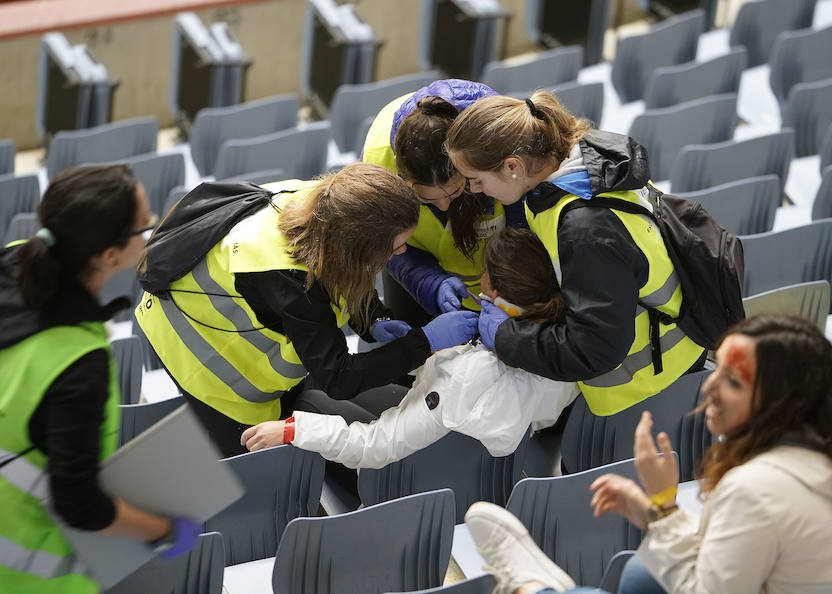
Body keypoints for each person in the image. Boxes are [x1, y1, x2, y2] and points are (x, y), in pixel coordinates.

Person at [462, 314, 832, 594]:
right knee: (638, 576)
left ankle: (532, 589)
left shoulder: (756, 488)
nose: (709, 385)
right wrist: (656, 512)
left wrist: (663, 503)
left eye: (732, 381)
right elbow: (739, 561)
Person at [135, 163, 478, 458]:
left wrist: (374, 319)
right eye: (394, 245)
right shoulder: (291, 280)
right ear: (357, 247)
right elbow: (338, 378)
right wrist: (424, 341)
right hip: (194, 348)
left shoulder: (333, 203)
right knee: (255, 466)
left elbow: (342, 278)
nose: (402, 252)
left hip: (247, 301)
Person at [0, 165, 201, 594]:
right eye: (143, 227)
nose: (148, 236)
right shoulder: (77, 364)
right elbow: (78, 505)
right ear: (110, 255)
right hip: (24, 570)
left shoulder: (13, 257)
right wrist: (162, 527)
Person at [445, 92, 707, 417]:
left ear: (513, 167)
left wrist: (504, 336)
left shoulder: (586, 228)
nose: (474, 190)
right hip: (667, 359)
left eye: (475, 180)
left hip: (651, 388)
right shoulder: (582, 165)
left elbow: (594, 350)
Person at [239, 228, 578, 465]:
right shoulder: (567, 346)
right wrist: (420, 348)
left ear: (491, 287)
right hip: (478, 463)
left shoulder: (465, 376)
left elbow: (374, 447)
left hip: (412, 473)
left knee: (309, 397)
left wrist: (290, 431)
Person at [361, 79, 528, 323]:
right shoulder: (379, 163)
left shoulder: (502, 142)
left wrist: (509, 266)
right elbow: (387, 244)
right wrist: (430, 282)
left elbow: (526, 212)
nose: (444, 206)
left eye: (456, 191)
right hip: (416, 279)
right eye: (425, 198)